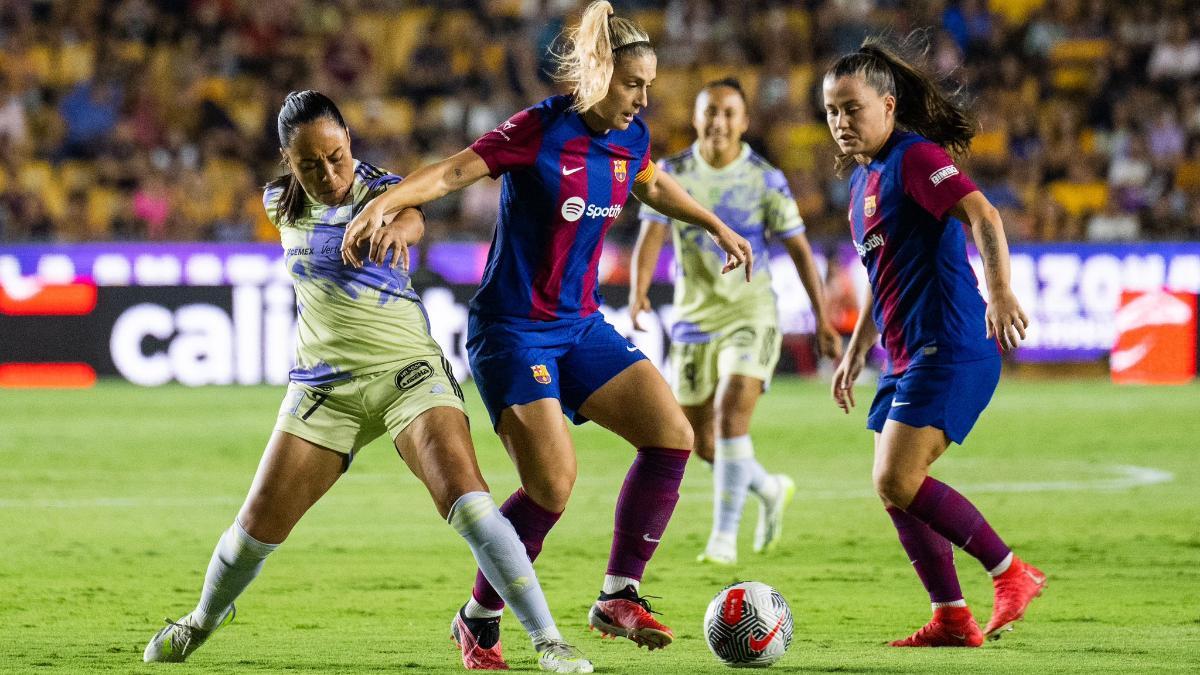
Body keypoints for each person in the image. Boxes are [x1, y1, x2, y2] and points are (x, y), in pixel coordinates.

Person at [341, 1, 752, 663]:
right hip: (512, 333)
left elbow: (652, 185)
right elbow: (451, 172)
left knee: (673, 434)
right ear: (597, 74)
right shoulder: (538, 129)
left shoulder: (631, 138)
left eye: (648, 85)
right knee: (553, 486)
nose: (642, 98)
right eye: (631, 84)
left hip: (580, 325)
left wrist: (713, 223)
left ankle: (618, 592)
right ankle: (481, 616)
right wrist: (388, 201)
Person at [142, 91, 592, 674]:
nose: (328, 174)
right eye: (310, 164)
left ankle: (547, 640)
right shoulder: (280, 202)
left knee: (471, 502)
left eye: (336, 156)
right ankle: (203, 618)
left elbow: (412, 215)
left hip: (408, 374)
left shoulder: (381, 190)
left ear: (350, 142)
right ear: (287, 161)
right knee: (253, 532)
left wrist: (396, 227)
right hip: (323, 388)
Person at [822, 38, 1047, 647]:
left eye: (852, 108)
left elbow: (985, 215)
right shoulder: (864, 184)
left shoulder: (914, 158)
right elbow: (881, 275)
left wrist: (999, 292)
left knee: (897, 480)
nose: (841, 122)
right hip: (905, 354)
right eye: (831, 112)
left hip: (948, 345)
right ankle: (951, 616)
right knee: (897, 490)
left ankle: (1011, 573)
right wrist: (854, 350)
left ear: (888, 105)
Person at [629, 77, 843, 566]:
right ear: (696, 117)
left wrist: (823, 319)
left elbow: (801, 252)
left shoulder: (765, 179)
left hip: (752, 313)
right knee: (702, 441)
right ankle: (767, 489)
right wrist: (640, 292)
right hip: (692, 321)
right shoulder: (672, 171)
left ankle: (723, 539)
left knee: (730, 413)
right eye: (710, 111)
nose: (718, 121)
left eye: (729, 113)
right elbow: (652, 236)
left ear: (744, 122)